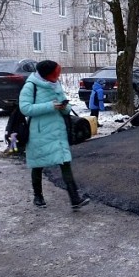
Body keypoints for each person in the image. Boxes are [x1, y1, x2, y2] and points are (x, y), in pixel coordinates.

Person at [18, 60, 90, 209]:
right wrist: (50, 106)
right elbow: (25, 108)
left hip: (58, 130)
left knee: (65, 162)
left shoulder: (55, 84)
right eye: (55, 74)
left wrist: (64, 106)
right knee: (38, 164)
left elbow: (65, 105)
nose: (58, 76)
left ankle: (75, 198)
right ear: (47, 74)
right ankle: (38, 196)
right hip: (39, 132)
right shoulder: (31, 85)